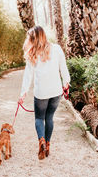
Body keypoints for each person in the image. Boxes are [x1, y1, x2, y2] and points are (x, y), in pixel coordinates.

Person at [18, 26, 70, 160]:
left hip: (41, 92)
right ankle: (47, 144)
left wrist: (23, 93)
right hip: (55, 91)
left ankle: (41, 140)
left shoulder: (32, 53)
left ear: (34, 39)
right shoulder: (57, 48)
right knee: (49, 118)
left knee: (39, 118)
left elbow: (28, 76)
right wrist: (66, 83)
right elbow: (63, 68)